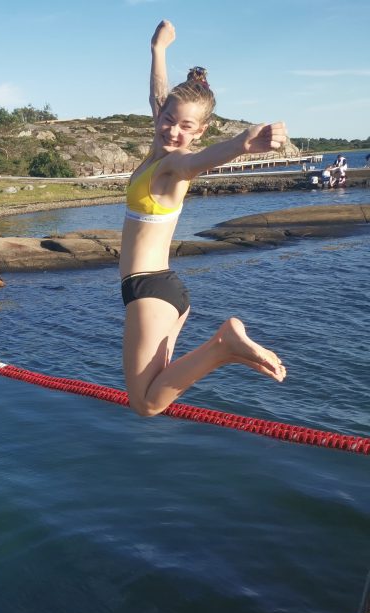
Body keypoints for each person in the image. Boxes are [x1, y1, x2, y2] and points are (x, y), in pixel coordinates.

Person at [119, 20, 287, 417]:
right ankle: (224, 351)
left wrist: (242, 146)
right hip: (160, 291)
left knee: (145, 404)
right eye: (168, 120)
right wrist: (158, 50)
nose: (173, 130)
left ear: (200, 131)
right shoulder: (157, 152)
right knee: (154, 390)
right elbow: (159, 96)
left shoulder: (173, 165)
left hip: (150, 292)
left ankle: (223, 347)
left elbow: (197, 161)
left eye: (186, 126)